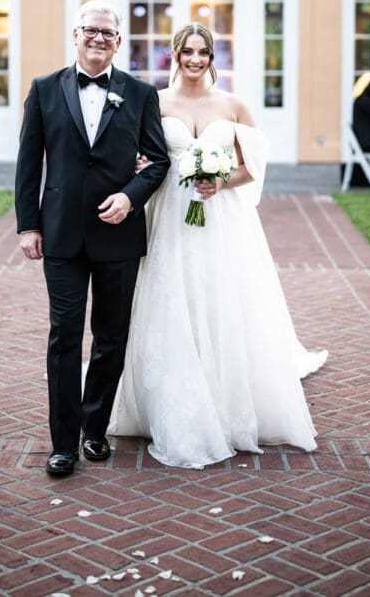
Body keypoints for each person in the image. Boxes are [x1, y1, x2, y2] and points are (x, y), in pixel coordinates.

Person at [108, 23, 327, 469]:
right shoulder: (154, 101)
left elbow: (252, 168)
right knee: (171, 298)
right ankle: (169, 398)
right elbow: (139, 153)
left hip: (220, 218)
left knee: (220, 297)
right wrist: (137, 161)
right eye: (187, 51)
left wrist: (220, 180)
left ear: (212, 57)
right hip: (168, 213)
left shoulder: (234, 105)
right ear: (174, 54)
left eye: (202, 52)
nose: (194, 59)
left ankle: (225, 394)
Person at [15, 2, 170, 476]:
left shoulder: (141, 94)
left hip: (117, 233)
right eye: (91, 30)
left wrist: (130, 197)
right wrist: (28, 224)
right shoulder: (44, 89)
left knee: (110, 336)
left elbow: (159, 161)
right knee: (64, 336)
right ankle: (62, 444)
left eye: (108, 32)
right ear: (75, 34)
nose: (99, 38)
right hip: (60, 233)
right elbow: (28, 162)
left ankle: (94, 430)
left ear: (119, 41)